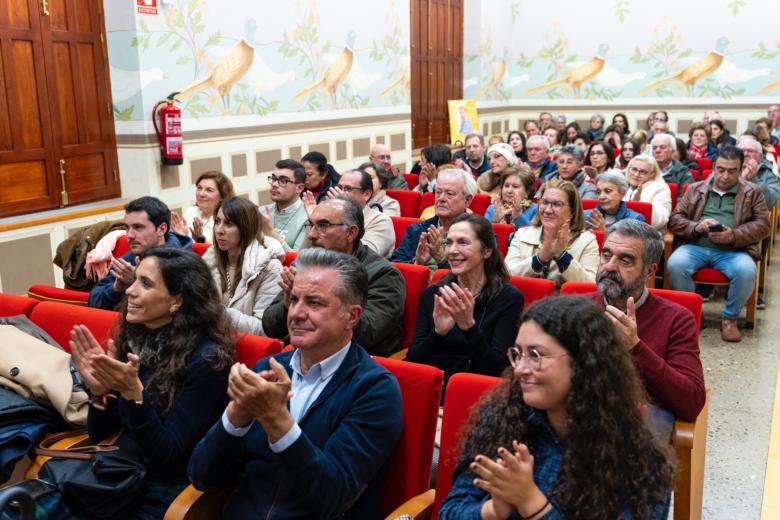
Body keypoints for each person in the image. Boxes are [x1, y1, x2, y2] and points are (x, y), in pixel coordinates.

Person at [188, 248, 403, 518]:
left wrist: (278, 421)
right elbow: (202, 476)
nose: (296, 313)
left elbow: (331, 499)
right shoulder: (265, 370)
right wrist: (236, 416)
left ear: (352, 316)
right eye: (293, 299)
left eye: (314, 303)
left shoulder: (374, 390)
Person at [439, 296, 673, 520]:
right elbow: (450, 510)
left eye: (536, 355)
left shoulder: (638, 456)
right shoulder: (502, 420)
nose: (520, 368)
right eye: (518, 354)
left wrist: (530, 501)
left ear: (583, 362)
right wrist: (492, 511)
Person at [70, 248, 234, 518]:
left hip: (165, 490)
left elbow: (167, 461)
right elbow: (103, 437)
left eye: (145, 284)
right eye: (134, 280)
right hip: (120, 472)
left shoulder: (207, 361)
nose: (129, 291)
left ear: (178, 300)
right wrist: (100, 394)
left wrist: (134, 395)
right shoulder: (136, 338)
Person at [586, 220, 705, 431]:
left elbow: (691, 401)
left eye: (625, 260)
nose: (610, 266)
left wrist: (635, 346)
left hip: (637, 420)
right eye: (606, 255)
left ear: (650, 272)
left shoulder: (677, 319)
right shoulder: (578, 306)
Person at [264, 196, 405, 356]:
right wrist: (287, 305)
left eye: (323, 226)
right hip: (304, 358)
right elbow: (270, 328)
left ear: (351, 232)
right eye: (311, 225)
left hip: (355, 366)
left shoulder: (383, 275)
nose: (311, 235)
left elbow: (366, 334)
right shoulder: (305, 264)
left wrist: (324, 299)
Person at [407, 214, 524, 387]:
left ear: (487, 251)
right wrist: (438, 333)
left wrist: (469, 327)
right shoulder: (432, 295)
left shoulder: (508, 299)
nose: (452, 251)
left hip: (478, 392)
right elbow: (413, 362)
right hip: (434, 389)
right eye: (449, 242)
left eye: (463, 242)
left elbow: (501, 370)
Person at [667, 146, 770, 342]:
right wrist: (696, 227)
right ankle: (693, 315)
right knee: (675, 264)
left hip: (734, 250)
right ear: (714, 167)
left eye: (732, 171)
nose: (725, 176)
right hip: (695, 245)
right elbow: (675, 218)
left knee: (747, 271)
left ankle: (729, 319)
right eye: (721, 169)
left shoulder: (752, 192)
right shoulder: (696, 189)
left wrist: (734, 235)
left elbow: (763, 225)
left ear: (740, 171)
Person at [88, 196, 193, 310]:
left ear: (161, 229)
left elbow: (177, 310)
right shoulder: (132, 256)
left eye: (138, 227)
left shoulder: (183, 262)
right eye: (127, 228)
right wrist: (116, 288)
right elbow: (93, 300)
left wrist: (137, 283)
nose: (129, 235)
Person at [204, 197, 283, 336]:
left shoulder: (270, 268)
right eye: (217, 222)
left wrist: (217, 312)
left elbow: (263, 329)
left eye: (229, 224)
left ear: (246, 227)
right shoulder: (209, 263)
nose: (219, 230)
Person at [505, 180, 599, 285]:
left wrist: (562, 256)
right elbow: (505, 276)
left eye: (557, 204)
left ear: (572, 211)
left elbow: (590, 286)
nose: (548, 210)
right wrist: (539, 259)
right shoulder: (522, 235)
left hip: (565, 300)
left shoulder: (587, 241)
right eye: (544, 202)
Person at [392, 168, 476, 268]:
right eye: (438, 192)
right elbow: (395, 268)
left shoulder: (479, 232)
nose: (441, 198)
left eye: (449, 194)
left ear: (467, 200)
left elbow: (481, 275)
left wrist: (441, 259)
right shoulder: (417, 230)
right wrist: (417, 262)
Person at [329, 168, 395, 258]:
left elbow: (362, 256)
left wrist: (342, 211)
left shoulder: (381, 221)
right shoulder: (329, 217)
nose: (341, 193)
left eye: (348, 189)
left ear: (366, 194)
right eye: (340, 188)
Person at [171, 171, 234, 243]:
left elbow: (224, 250)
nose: (201, 194)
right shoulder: (191, 211)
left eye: (209, 190)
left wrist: (201, 240)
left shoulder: (227, 219)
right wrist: (181, 236)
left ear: (222, 196)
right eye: (199, 188)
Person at [261, 159, 309, 252]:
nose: (274, 184)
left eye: (283, 181)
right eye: (274, 178)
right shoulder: (262, 212)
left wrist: (270, 231)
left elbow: (296, 262)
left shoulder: (308, 219)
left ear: (299, 188)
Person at [623, 155, 672, 230]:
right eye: (634, 169)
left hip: (646, 235)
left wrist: (639, 205)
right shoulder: (621, 183)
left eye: (643, 172)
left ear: (652, 175)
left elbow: (661, 220)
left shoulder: (661, 188)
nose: (636, 174)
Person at [737, 136, 780, 210]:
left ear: (760, 157)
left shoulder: (767, 173)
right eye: (742, 150)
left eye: (750, 151)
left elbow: (770, 201)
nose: (745, 154)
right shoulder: (726, 168)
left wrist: (754, 180)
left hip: (752, 217)